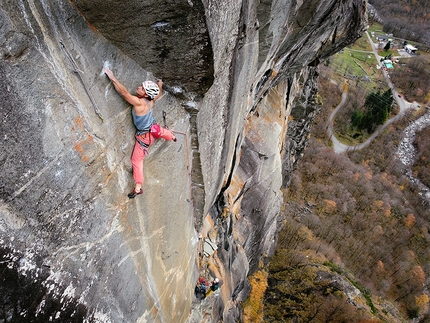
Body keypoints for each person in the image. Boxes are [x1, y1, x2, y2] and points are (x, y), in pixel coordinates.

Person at [104, 67, 177, 198]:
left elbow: (125, 93)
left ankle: (138, 187)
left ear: (145, 94)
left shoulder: (139, 103)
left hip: (144, 137)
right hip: (153, 128)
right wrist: (160, 83)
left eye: (142, 89)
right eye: (141, 86)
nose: (139, 88)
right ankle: (171, 136)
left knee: (136, 160)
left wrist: (112, 77)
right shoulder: (151, 101)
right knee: (160, 131)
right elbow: (158, 94)